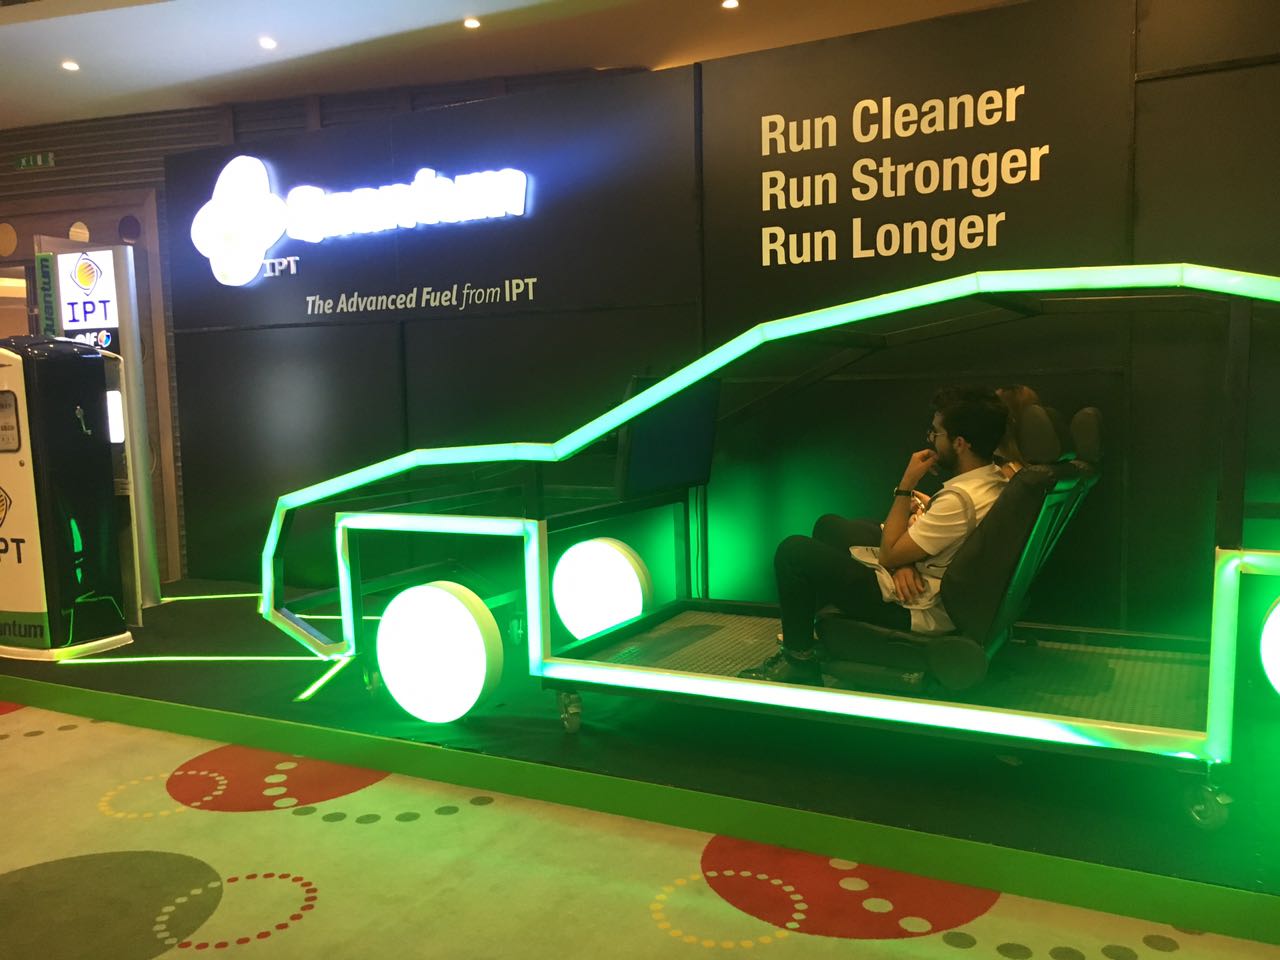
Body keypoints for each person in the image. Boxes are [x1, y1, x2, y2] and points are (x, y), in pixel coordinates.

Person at [739, 386, 1010, 685]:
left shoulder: (958, 501)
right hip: (928, 579)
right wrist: (906, 556)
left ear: (959, 443)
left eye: (936, 433)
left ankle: (799, 661)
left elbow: (890, 554)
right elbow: (934, 540)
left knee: (794, 552)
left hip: (917, 606)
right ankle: (814, 632)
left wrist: (906, 485)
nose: (930, 439)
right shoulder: (993, 479)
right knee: (830, 526)